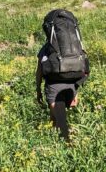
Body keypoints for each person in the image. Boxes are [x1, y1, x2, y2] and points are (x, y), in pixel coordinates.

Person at [36, 9, 89, 141]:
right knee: (63, 115)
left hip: (54, 85)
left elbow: (40, 70)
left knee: (59, 122)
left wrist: (38, 89)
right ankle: (63, 140)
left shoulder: (47, 48)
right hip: (73, 82)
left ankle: (66, 143)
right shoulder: (75, 46)